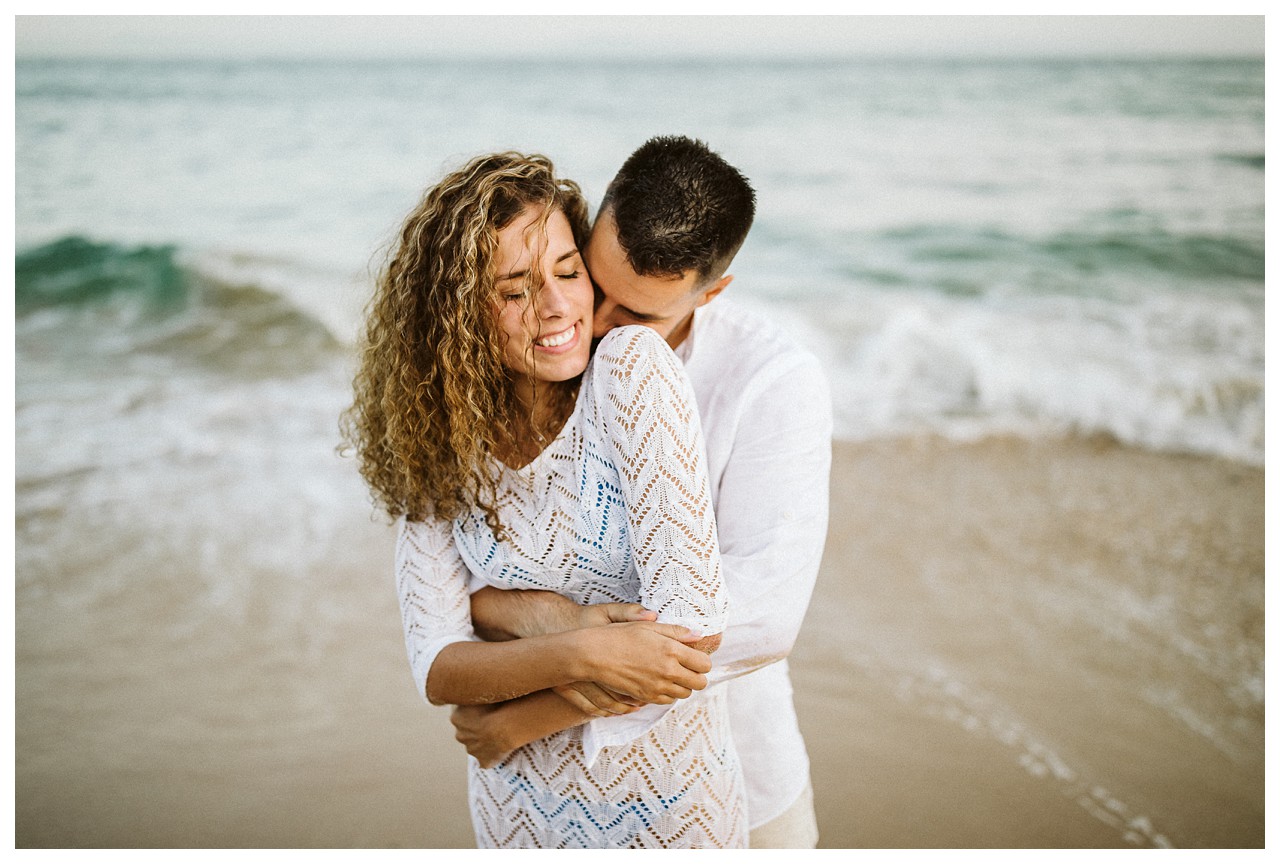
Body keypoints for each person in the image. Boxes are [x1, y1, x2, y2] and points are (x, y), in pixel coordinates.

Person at [341, 151, 748, 848]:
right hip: (517, 809)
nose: (559, 307)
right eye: (514, 289)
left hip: (669, 807)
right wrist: (581, 644)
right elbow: (439, 667)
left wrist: (511, 678)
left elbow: (690, 636)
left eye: (567, 272)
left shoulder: (630, 371)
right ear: (458, 311)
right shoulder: (439, 437)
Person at [455, 136, 833, 848]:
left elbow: (764, 618)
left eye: (636, 316)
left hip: (731, 786)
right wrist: (538, 617)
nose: (595, 326)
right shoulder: (540, 356)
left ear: (711, 293)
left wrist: (529, 713)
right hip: (547, 799)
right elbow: (474, 573)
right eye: (596, 286)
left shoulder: (774, 382)